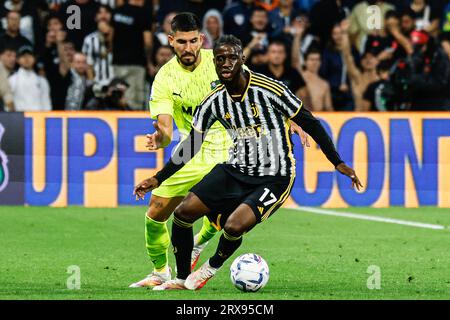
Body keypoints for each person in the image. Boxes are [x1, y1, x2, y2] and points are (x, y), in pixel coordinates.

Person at [133, 35, 362, 291]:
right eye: (220, 59)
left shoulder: (270, 89)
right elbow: (191, 146)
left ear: (242, 59)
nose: (226, 63)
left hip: (276, 175)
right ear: (215, 63)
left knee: (233, 225)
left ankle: (211, 266)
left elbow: (310, 122)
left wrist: (337, 162)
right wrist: (158, 178)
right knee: (183, 214)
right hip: (236, 169)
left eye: (232, 57)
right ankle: (181, 278)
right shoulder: (213, 101)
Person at [9, 46, 51, 111]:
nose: (26, 59)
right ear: (17, 60)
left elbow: (47, 104)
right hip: (19, 118)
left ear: (34, 59)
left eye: (29, 56)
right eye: (23, 56)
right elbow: (8, 104)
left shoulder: (42, 81)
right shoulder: (12, 80)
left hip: (38, 118)